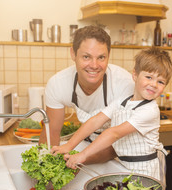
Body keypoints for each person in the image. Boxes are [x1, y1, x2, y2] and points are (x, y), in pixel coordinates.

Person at [52, 47, 172, 179]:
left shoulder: (149, 110)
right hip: (125, 166)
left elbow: (113, 133)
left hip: (145, 173)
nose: (154, 84)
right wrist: (69, 146)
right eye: (149, 77)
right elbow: (95, 121)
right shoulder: (122, 101)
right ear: (135, 75)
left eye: (160, 81)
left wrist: (82, 155)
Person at [39, 25, 134, 163]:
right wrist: (44, 165)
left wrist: (80, 159)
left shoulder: (124, 84)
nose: (94, 65)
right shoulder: (58, 83)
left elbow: (120, 141)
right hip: (87, 149)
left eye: (101, 57)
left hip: (124, 155)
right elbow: (52, 133)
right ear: (73, 54)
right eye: (86, 57)